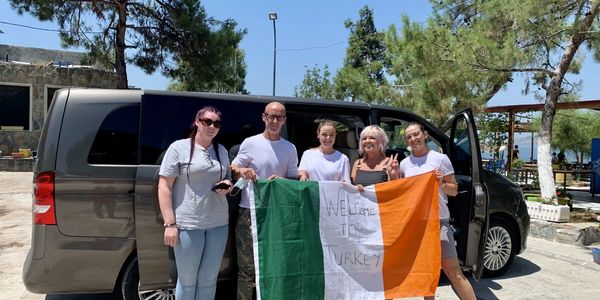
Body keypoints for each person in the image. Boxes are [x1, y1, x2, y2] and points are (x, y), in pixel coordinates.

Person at [157, 106, 233, 300]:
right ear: (197, 122)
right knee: (187, 282)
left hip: (218, 224)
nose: (212, 126)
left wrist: (227, 185)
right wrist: (170, 224)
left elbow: (227, 180)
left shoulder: (221, 150)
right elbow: (164, 186)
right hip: (188, 225)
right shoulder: (178, 148)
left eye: (216, 123)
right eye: (207, 121)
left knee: (209, 280)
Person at [399, 122, 476, 300]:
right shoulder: (404, 164)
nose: (413, 139)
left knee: (453, 273)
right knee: (427, 275)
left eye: (416, 134)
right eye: (409, 136)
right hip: (418, 225)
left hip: (439, 222)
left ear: (425, 135)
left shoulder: (440, 159)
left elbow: (454, 190)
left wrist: (442, 183)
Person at [231, 102, 299, 300]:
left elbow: (294, 180)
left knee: (274, 267)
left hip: (278, 215)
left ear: (284, 120)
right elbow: (233, 169)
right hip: (248, 212)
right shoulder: (250, 143)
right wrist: (242, 170)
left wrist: (282, 181)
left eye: (279, 117)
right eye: (272, 116)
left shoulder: (290, 148)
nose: (275, 121)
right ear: (264, 117)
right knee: (246, 269)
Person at [351, 125, 400, 190]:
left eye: (372, 138)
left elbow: (395, 189)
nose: (367, 141)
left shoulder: (390, 163)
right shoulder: (357, 163)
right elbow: (351, 188)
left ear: (381, 141)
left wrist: (393, 176)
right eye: (364, 138)